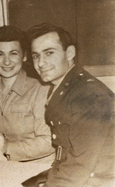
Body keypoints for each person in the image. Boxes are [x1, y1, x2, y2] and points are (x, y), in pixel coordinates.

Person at [26, 23, 114, 186]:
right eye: (36, 56)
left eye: (49, 53)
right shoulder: (65, 88)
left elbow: (79, 167)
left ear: (70, 53)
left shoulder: (88, 96)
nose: (41, 63)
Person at [0, 26, 54, 162]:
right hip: (2, 165)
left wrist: (7, 148)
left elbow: (49, 142)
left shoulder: (41, 90)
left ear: (24, 56)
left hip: (36, 170)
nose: (6, 61)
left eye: (13, 53)